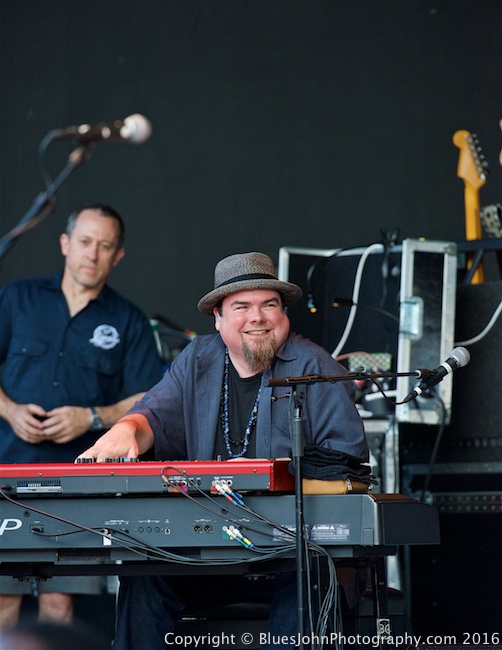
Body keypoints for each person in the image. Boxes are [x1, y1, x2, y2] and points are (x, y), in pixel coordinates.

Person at [76, 251, 373, 650]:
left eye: (269, 304)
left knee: (309, 579)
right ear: (217, 317)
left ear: (283, 313)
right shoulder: (199, 357)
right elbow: (154, 417)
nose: (258, 317)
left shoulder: (317, 368)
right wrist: (128, 427)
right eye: (242, 307)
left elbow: (350, 474)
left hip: (295, 555)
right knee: (144, 576)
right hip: (214, 553)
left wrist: (274, 475)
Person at [0, 204, 164, 631]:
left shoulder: (128, 320)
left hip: (80, 484)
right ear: (66, 243)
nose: (92, 254)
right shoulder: (17, 298)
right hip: (6, 474)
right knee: (1, 604)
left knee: (60, 608)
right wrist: (10, 409)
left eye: (104, 246)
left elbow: (152, 395)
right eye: (86, 242)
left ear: (118, 255)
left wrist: (92, 418)